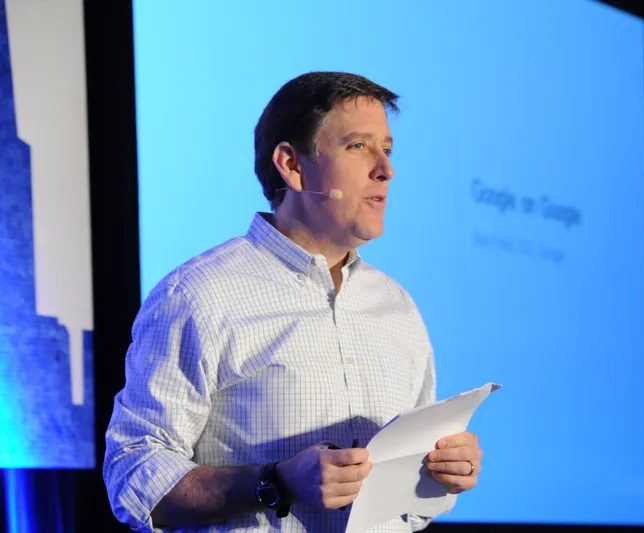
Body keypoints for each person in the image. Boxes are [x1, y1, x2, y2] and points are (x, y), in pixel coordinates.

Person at [103, 71, 483, 533]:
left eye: (387, 149)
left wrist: (441, 473)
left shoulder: (396, 305)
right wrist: (273, 482)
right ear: (292, 164)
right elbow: (133, 477)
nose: (385, 169)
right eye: (359, 146)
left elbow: (412, 507)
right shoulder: (198, 294)